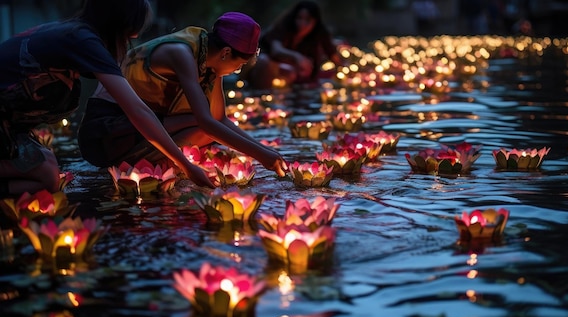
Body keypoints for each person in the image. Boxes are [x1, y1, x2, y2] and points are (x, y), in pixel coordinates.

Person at [0, 0, 215, 198]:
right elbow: (138, 111)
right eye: (132, 32)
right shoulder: (83, 40)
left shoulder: (73, 32)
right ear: (120, 23)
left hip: (10, 126)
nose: (132, 41)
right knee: (48, 178)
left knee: (47, 170)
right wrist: (187, 165)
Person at [77, 12, 288, 179]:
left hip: (141, 126)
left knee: (208, 132)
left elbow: (219, 118)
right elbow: (205, 121)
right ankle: (144, 167)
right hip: (105, 132)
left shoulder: (211, 62)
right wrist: (261, 156)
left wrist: (266, 153)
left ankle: (159, 164)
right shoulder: (181, 53)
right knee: (202, 130)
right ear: (225, 53)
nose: (237, 70)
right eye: (240, 65)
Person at [243, 0, 344, 89]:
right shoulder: (283, 27)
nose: (302, 23)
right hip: (267, 69)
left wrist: (344, 70)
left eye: (307, 20)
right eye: (299, 18)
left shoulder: (320, 33)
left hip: (294, 77)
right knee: (265, 62)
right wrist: (297, 57)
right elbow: (276, 50)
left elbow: (333, 56)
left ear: (315, 22)